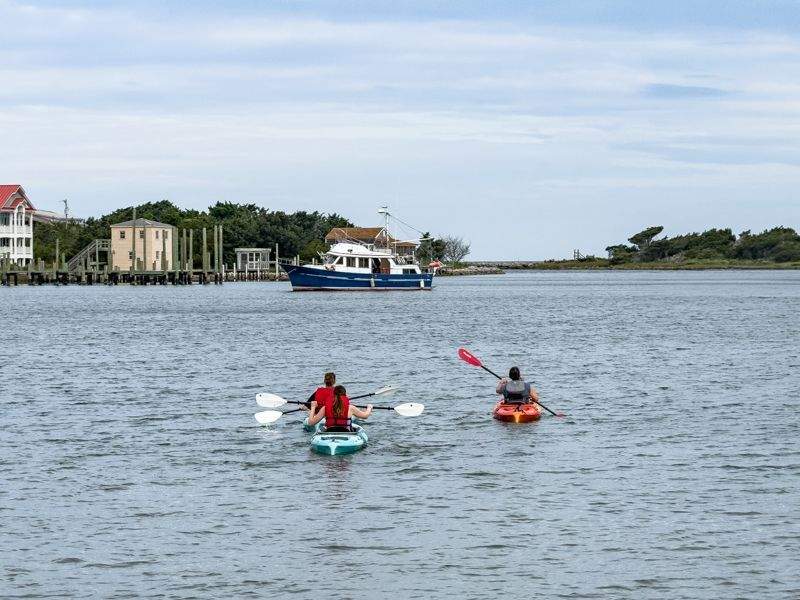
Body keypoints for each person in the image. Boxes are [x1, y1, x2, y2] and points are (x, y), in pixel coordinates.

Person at [308, 385, 372, 432]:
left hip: (330, 432)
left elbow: (311, 423)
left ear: (333, 394)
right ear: (345, 395)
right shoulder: (350, 408)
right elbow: (365, 416)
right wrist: (369, 408)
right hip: (346, 432)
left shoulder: (325, 408)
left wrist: (313, 407)